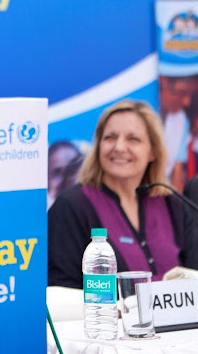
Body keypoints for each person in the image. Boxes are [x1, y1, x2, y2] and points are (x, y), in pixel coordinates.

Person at [48, 100, 198, 288]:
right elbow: (61, 291)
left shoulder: (173, 205)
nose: (119, 147)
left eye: (133, 139)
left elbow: (194, 278)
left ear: (153, 151)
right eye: (110, 137)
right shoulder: (72, 206)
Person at [159, 75, 198, 192]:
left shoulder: (181, 120)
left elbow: (177, 171)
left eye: (191, 95)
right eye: (182, 93)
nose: (187, 102)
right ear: (163, 82)